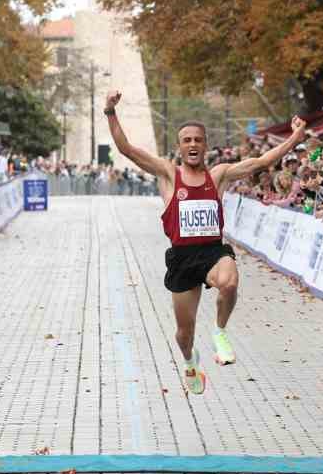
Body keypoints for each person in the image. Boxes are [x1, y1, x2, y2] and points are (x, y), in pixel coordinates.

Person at [105, 90, 307, 394]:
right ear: (179, 147)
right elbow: (127, 149)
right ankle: (190, 362)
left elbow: (261, 162)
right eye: (187, 140)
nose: (193, 145)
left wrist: (295, 137)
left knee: (228, 282)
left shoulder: (219, 176)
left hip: (213, 251)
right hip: (183, 258)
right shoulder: (168, 174)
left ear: (206, 145)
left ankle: (220, 331)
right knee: (183, 333)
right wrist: (110, 111)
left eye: (198, 140)